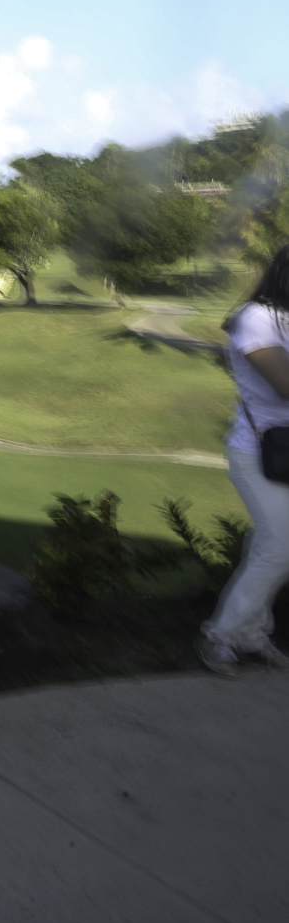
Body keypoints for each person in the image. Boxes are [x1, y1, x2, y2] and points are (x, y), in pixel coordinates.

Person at [198, 245, 289, 676]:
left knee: (267, 545)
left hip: (285, 453)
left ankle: (251, 635)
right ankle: (219, 636)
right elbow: (285, 385)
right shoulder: (254, 318)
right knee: (281, 546)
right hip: (259, 453)